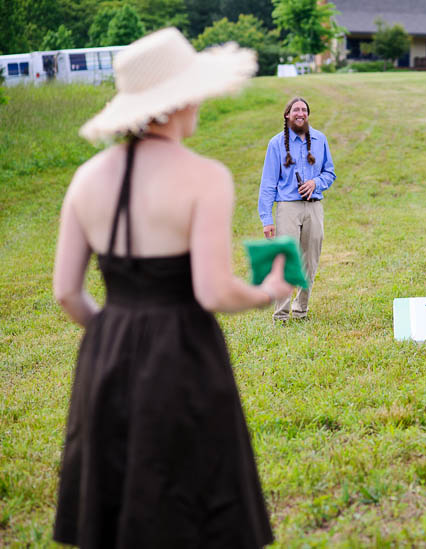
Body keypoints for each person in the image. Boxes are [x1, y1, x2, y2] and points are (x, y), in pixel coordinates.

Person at [52, 28, 292, 548]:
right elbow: (211, 291)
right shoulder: (205, 177)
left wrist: (118, 333)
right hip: (183, 354)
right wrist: (267, 292)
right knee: (191, 492)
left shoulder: (87, 178)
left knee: (119, 493)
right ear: (178, 101)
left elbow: (67, 292)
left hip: (106, 356)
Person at [258, 97, 336, 323]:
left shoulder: (320, 140)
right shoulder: (276, 144)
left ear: (308, 114)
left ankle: (301, 310)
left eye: (304, 110)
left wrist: (315, 183)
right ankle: (281, 314)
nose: (300, 113)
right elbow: (268, 184)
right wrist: (267, 219)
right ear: (287, 115)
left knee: (310, 261)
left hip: (314, 207)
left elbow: (329, 173)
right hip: (287, 207)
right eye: (296, 110)